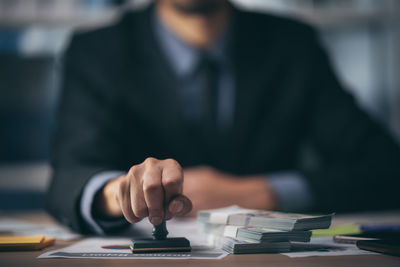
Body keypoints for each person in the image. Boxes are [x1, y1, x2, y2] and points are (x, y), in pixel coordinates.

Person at [46, 0, 400, 234]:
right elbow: (70, 176)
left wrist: (262, 192)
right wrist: (122, 192)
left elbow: (386, 168)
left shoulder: (293, 45)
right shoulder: (97, 52)